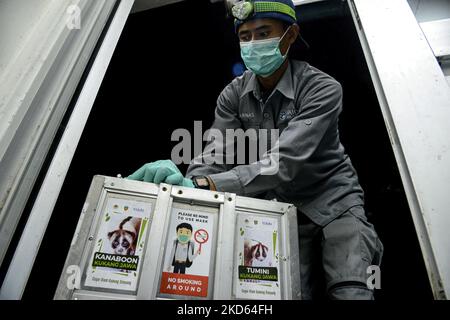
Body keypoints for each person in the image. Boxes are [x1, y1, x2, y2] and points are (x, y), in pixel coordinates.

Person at [128, 0, 383, 299]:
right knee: (283, 291)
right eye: (245, 36)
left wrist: (204, 184)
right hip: (281, 206)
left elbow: (283, 162)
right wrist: (184, 188)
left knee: (350, 289)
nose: (253, 44)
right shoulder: (234, 94)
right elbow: (216, 156)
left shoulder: (322, 88)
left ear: (290, 35)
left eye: (263, 33)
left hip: (334, 202)